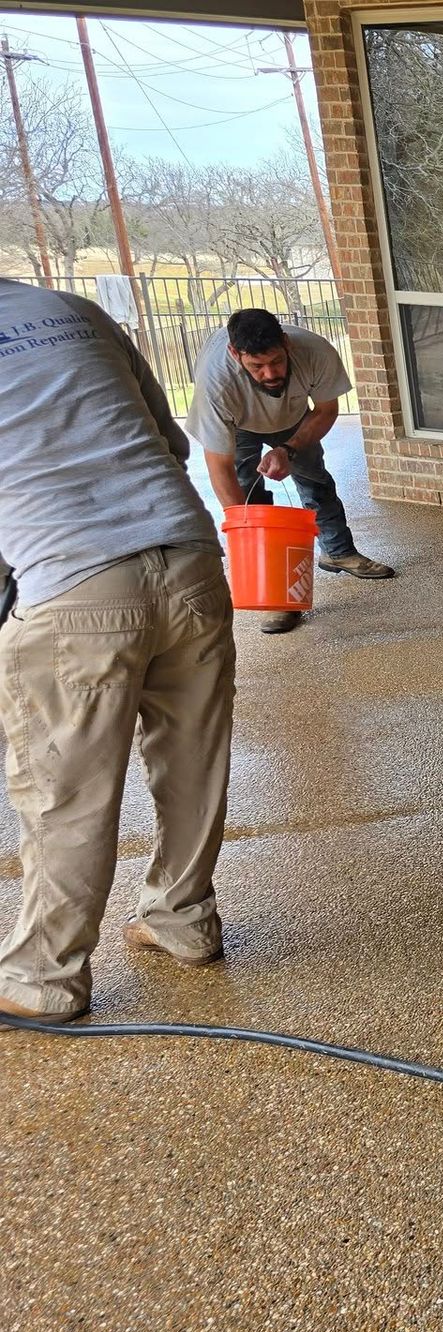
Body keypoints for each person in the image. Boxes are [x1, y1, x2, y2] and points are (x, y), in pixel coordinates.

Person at [0, 280, 236, 1023]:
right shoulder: (69, 309)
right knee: (193, 756)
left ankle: (43, 978)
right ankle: (183, 920)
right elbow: (168, 440)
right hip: (188, 554)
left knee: (65, 789)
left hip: (73, 583)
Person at [186, 308, 394, 635]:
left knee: (315, 482)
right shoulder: (216, 382)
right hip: (238, 425)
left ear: (286, 343)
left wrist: (289, 449)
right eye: (256, 366)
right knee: (249, 498)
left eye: (277, 361)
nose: (270, 374)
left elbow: (326, 411)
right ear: (234, 354)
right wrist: (248, 531)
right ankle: (275, 593)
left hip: (296, 418)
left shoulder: (315, 351)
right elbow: (220, 467)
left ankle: (338, 553)